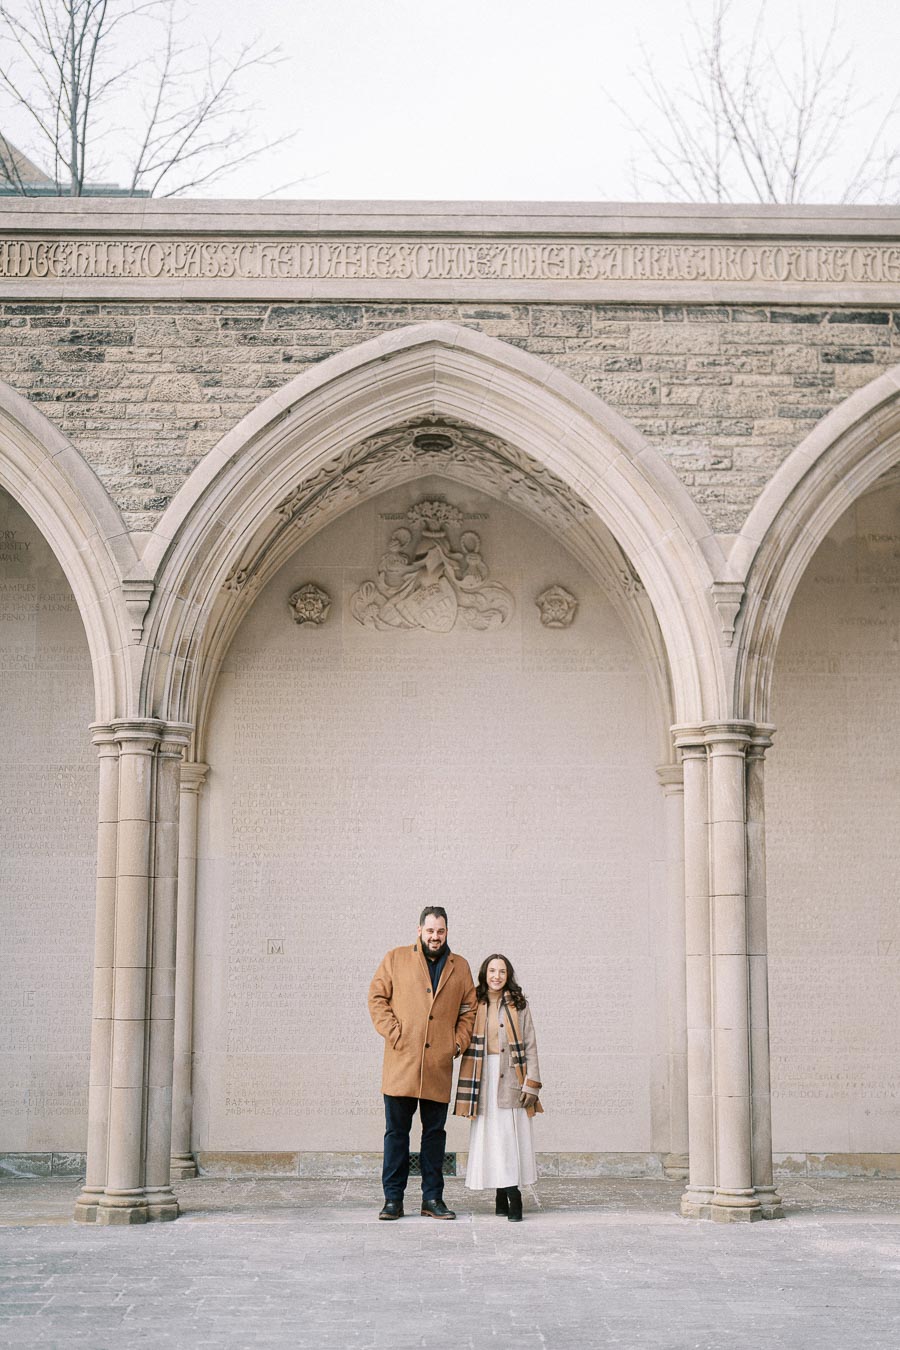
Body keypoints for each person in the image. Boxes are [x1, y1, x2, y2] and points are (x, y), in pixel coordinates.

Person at [368, 906, 476, 1221]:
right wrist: (394, 1033)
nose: (435, 936)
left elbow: (469, 1009)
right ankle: (392, 1200)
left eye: (440, 931)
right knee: (396, 1134)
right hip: (402, 1062)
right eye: (430, 931)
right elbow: (377, 997)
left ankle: (432, 1198)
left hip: (437, 1066)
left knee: (434, 1136)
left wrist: (456, 1043)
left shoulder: (461, 967)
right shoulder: (395, 958)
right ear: (419, 930)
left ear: (446, 932)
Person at [453, 953, 542, 1222]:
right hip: (482, 1073)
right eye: (492, 971)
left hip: (512, 1074)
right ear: (484, 974)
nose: (496, 976)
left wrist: (532, 1084)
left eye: (502, 971)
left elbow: (530, 1045)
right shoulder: (473, 1003)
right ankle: (500, 1194)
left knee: (509, 1137)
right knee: (489, 1135)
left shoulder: (519, 1004)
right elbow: (459, 1031)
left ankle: (513, 1193)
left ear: (508, 975)